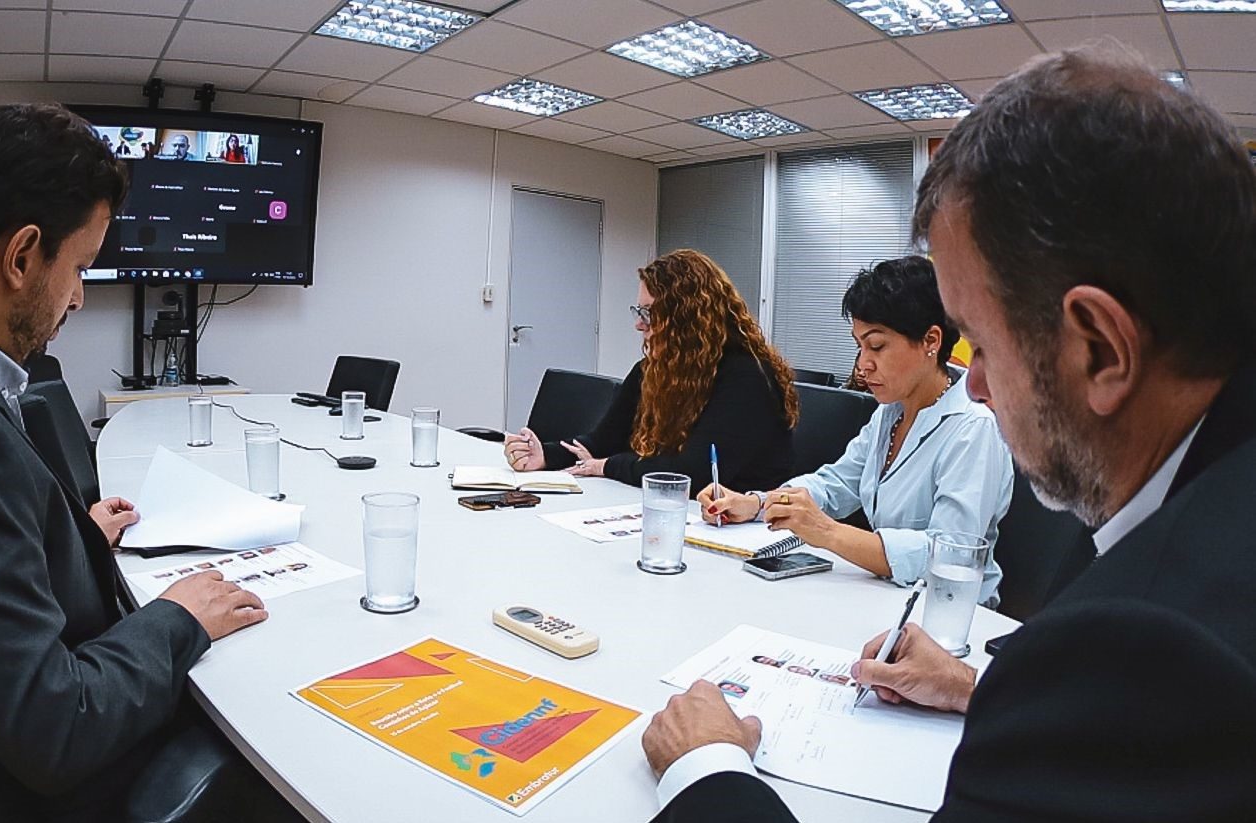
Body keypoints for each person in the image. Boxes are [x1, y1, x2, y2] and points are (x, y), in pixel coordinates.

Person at [644, 44, 1256, 822]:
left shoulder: (1141, 650)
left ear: (1101, 348)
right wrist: (980, 688)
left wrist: (708, 769)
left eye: (983, 343)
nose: (975, 380)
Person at [0, 104, 283, 820]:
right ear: (23, 255)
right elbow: (53, 726)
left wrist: (68, 534)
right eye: (81, 268)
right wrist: (175, 616)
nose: (78, 298)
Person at [700, 256, 1012, 604]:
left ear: (931, 340)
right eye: (859, 346)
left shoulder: (973, 428)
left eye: (876, 346)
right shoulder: (890, 413)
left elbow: (950, 556)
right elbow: (835, 484)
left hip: (950, 615)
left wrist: (827, 532)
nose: (863, 365)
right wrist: (755, 502)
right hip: (888, 596)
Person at [502, 249, 799, 492]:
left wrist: (607, 465)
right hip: (679, 512)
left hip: (742, 527)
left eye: (650, 313)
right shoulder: (653, 370)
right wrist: (546, 456)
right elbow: (601, 442)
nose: (639, 324)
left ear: (688, 318)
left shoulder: (747, 377)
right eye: (639, 311)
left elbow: (692, 475)